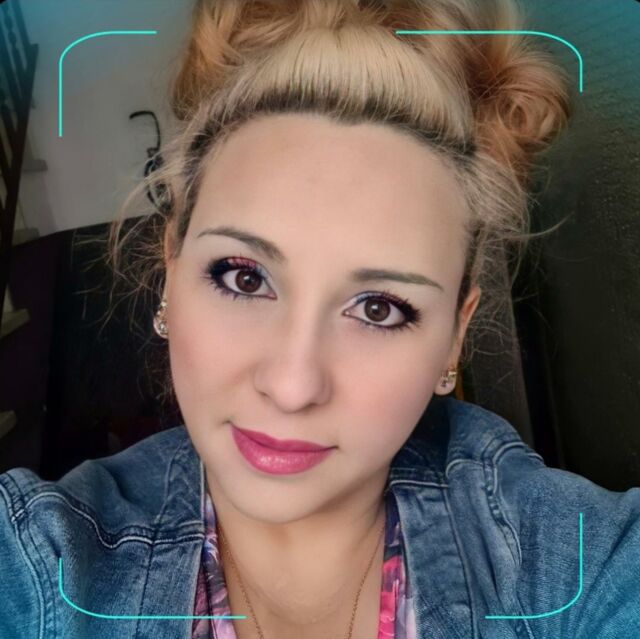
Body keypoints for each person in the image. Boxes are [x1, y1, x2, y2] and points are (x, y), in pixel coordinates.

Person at [1, 0, 639, 638]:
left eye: (378, 308)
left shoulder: (573, 564)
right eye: (245, 278)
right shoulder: (41, 566)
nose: (292, 386)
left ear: (456, 333)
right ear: (172, 268)